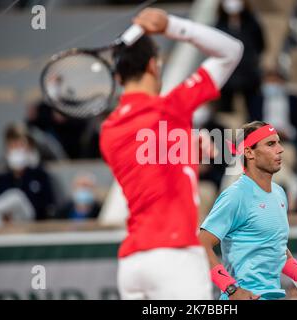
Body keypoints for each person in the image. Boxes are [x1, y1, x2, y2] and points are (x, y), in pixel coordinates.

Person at [99, 8, 243, 300]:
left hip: (132, 263)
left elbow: (151, 163)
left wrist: (188, 146)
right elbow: (231, 51)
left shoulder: (108, 131)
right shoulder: (170, 110)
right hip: (175, 257)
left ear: (117, 76)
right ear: (154, 66)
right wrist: (171, 25)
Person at [199, 121, 297, 300]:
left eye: (278, 142)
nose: (280, 149)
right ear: (249, 153)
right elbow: (202, 244)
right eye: (270, 144)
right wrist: (232, 290)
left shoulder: (279, 193)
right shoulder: (235, 196)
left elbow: (275, 247)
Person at [0, 123, 56, 227]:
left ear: (29, 148)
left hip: (31, 220)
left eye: (20, 145)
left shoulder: (39, 174)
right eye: (13, 146)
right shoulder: (1, 177)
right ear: (7, 151)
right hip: (7, 222)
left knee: (15, 196)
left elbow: (48, 207)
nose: (16, 150)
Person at [215, 0, 266, 121]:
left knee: (253, 111)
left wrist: (250, 60)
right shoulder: (219, 24)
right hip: (227, 75)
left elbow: (261, 45)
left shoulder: (252, 23)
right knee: (225, 112)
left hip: (249, 74)